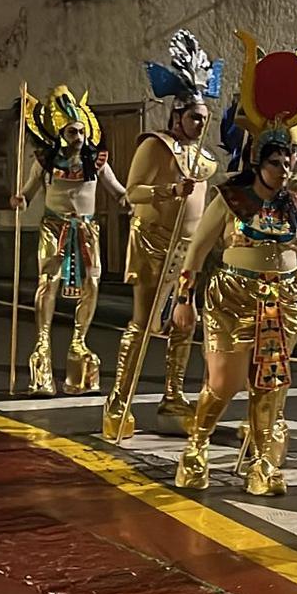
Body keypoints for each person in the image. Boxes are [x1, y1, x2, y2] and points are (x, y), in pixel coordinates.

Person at [169, 35, 297, 496]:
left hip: (284, 299)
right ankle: (198, 444)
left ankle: (263, 464)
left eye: (290, 158)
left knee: (270, 385)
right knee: (225, 383)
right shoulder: (231, 196)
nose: (285, 167)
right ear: (258, 160)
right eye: (276, 160)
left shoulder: (292, 204)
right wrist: (183, 301)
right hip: (233, 296)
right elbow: (196, 251)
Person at [104, 32, 222, 441]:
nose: (200, 124)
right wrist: (169, 191)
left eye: (204, 119)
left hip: (189, 251)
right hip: (154, 241)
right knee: (142, 322)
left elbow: (208, 209)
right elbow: (132, 192)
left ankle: (173, 396)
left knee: (184, 323)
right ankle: (119, 400)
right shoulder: (157, 147)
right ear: (177, 117)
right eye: (193, 118)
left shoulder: (204, 159)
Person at [12, 86, 130, 396]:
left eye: (81, 130)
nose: (78, 136)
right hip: (55, 228)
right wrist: (20, 200)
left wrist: (128, 201)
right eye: (71, 131)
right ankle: (42, 347)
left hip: (87, 231)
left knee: (92, 285)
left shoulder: (97, 161)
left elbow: (117, 190)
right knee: (46, 284)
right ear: (60, 134)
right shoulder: (46, 161)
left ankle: (79, 344)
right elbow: (28, 192)